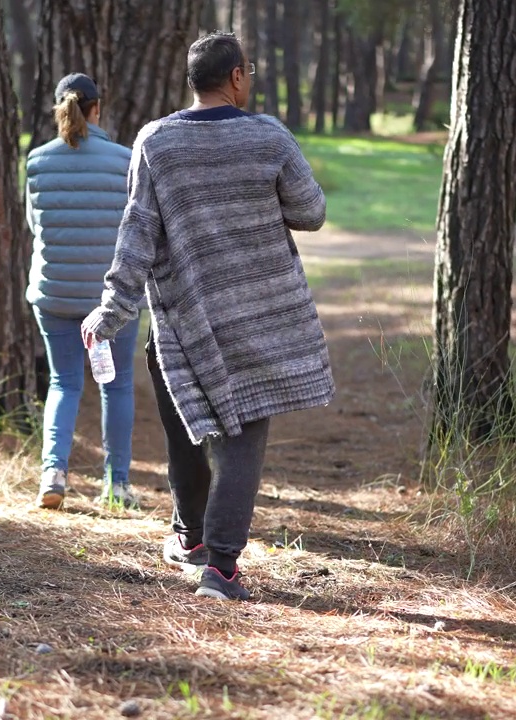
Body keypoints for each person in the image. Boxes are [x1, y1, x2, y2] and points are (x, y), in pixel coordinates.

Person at [81, 33, 332, 600]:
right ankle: (220, 567)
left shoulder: (155, 142)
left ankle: (191, 537)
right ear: (237, 77)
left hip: (182, 325)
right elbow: (311, 212)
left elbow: (137, 234)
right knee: (241, 438)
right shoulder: (269, 137)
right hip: (259, 321)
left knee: (187, 431)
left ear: (193, 81)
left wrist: (112, 309)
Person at [25, 72, 142, 511]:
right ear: (97, 109)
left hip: (54, 295)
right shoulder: (124, 160)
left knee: (63, 383)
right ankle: (117, 484)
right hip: (111, 301)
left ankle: (53, 474)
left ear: (60, 110)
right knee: (116, 386)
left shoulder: (37, 161)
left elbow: (34, 226)